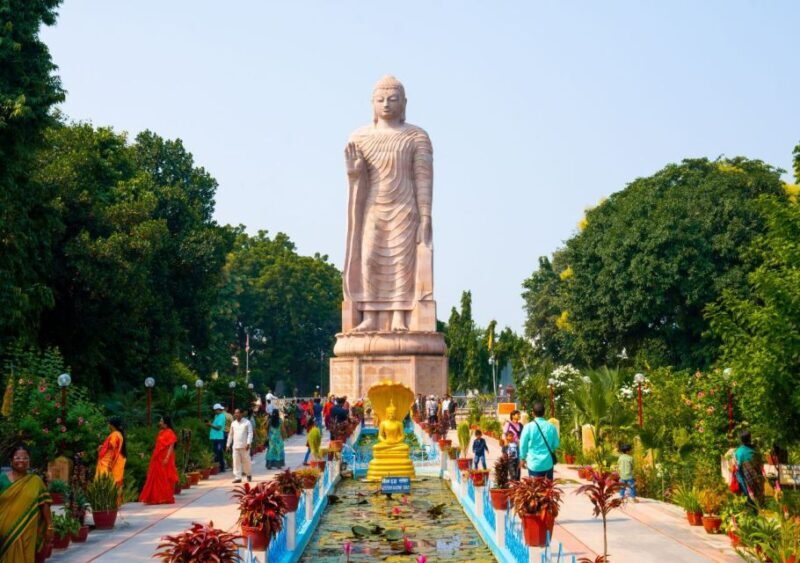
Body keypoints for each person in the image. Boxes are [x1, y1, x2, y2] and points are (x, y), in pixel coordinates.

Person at [0, 444, 52, 562]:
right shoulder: (1, 479)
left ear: (29, 461)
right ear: (11, 460)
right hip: (3, 532)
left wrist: (49, 526)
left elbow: (44, 504)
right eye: (17, 458)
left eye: (25, 458)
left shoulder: (35, 481)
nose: (21, 461)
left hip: (27, 531)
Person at [139, 416, 179, 504]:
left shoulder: (170, 432)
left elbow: (171, 446)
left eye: (161, 421)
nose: (159, 423)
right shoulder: (161, 432)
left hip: (166, 458)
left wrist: (167, 458)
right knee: (156, 477)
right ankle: (155, 498)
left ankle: (166, 497)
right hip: (158, 457)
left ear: (166, 423)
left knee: (165, 477)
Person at [519, 402, 560, 480]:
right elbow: (556, 444)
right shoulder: (551, 427)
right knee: (547, 487)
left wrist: (522, 458)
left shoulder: (528, 427)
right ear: (544, 413)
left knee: (535, 487)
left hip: (534, 464)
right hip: (548, 463)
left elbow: (523, 444)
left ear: (533, 413)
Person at [95, 416, 127, 506]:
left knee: (104, 481)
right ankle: (111, 502)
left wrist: (103, 449)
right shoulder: (117, 434)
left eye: (109, 424)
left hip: (107, 462)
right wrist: (102, 447)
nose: (108, 425)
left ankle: (108, 502)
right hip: (107, 461)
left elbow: (113, 448)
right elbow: (110, 447)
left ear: (112, 425)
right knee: (108, 481)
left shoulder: (115, 434)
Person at [735, 430, 765, 506]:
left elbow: (738, 467)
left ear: (741, 440)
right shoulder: (756, 449)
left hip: (747, 481)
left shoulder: (739, 452)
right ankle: (759, 504)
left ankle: (748, 500)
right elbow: (761, 463)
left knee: (738, 473)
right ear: (750, 438)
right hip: (758, 479)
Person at [227, 409, 253, 483]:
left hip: (245, 446)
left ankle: (248, 474)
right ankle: (238, 477)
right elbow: (230, 434)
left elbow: (250, 433)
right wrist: (228, 444)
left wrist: (248, 443)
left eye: (238, 413)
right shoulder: (233, 423)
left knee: (246, 462)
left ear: (242, 414)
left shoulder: (247, 422)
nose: (236, 414)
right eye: (235, 413)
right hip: (235, 446)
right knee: (236, 462)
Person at [208, 403, 227, 472]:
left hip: (219, 438)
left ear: (218, 409)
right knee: (217, 452)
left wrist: (210, 424)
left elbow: (219, 428)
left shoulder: (221, 416)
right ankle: (219, 467)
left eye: (215, 410)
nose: (214, 411)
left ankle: (221, 467)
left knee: (218, 452)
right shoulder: (216, 416)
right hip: (215, 437)